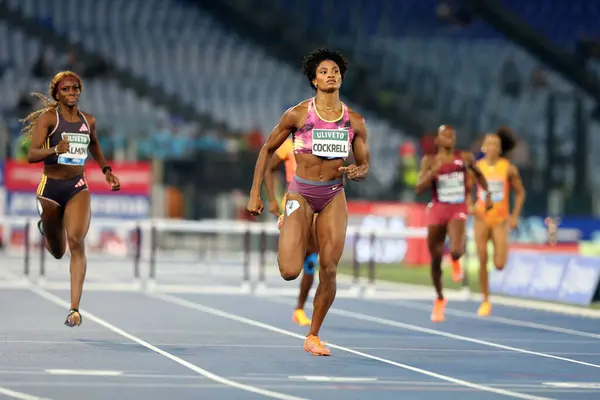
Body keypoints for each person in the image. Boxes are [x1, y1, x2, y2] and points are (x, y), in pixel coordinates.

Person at [247, 48, 370, 356]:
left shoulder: (354, 121)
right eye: (324, 71)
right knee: (290, 271)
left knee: (329, 268)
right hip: (301, 192)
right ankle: (289, 225)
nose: (331, 74)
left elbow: (365, 163)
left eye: (335, 71)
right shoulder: (298, 114)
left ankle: (313, 335)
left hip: (333, 195)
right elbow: (266, 150)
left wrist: (359, 170)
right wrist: (255, 194)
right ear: (314, 80)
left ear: (341, 78)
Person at [20, 71, 120, 327]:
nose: (72, 93)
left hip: (77, 186)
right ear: (57, 94)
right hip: (51, 189)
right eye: (66, 89)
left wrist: (107, 171)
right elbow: (31, 155)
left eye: (76, 88)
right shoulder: (49, 119)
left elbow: (93, 144)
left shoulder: (89, 120)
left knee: (76, 240)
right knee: (57, 251)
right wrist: (55, 149)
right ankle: (47, 227)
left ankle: (74, 309)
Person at [416, 125, 492, 323]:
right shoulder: (430, 160)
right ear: (438, 140)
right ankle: (440, 298)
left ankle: (456, 259)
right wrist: (432, 173)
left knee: (457, 249)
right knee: (435, 258)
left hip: (457, 207)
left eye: (452, 136)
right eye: (445, 136)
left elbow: (479, 176)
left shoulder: (464, 158)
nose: (449, 139)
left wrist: (488, 194)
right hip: (438, 208)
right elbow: (418, 188)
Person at [264, 137, 318, 327]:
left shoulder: (318, 143)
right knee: (294, 259)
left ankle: (299, 309)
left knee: (311, 261)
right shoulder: (288, 145)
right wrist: (271, 198)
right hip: (293, 199)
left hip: (313, 201)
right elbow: (269, 168)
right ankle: (287, 227)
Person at [473, 127, 525, 316]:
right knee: (482, 259)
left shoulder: (508, 168)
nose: (492, 147)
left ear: (500, 148)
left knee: (500, 264)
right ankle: (485, 300)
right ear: (483, 147)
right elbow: (466, 188)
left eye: (495, 144)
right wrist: (471, 205)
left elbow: (520, 193)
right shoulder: (477, 167)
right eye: (488, 144)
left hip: (500, 220)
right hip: (481, 218)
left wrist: (514, 215)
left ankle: (499, 263)